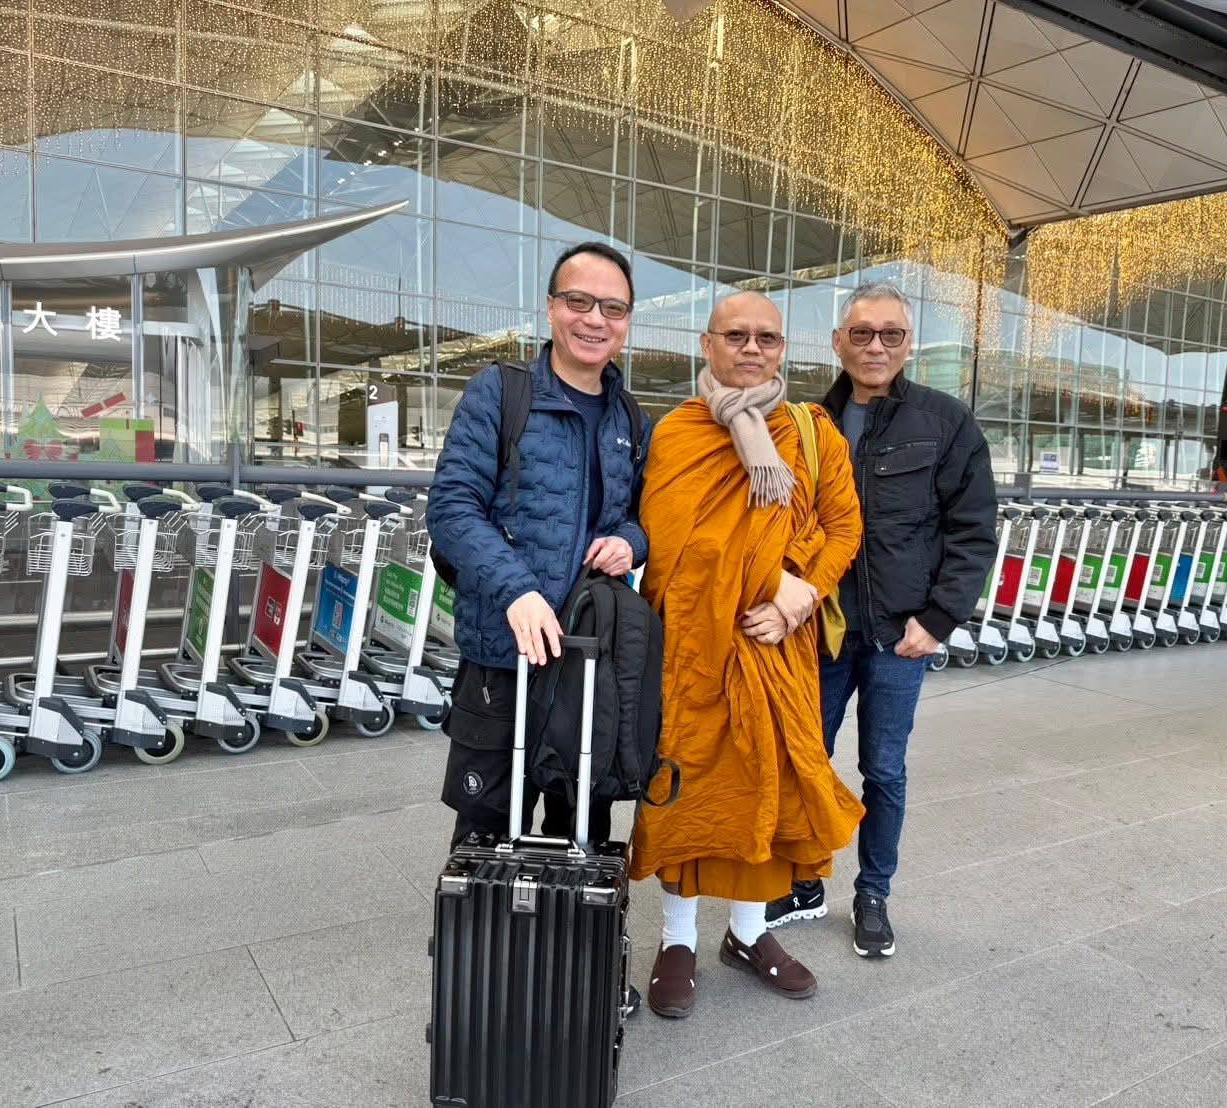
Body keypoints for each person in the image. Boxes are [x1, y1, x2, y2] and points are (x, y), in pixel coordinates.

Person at [633, 290, 864, 1019]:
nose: (752, 348)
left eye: (766, 337)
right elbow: (669, 544)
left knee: (770, 786)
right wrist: (751, 585)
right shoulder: (677, 433)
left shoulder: (812, 432)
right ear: (707, 345)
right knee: (688, 791)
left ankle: (747, 932)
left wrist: (802, 595)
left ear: (782, 349)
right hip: (694, 652)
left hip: (779, 648)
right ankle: (676, 940)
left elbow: (843, 527)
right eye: (736, 335)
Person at [766, 282, 997, 958]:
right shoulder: (808, 423)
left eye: (890, 334)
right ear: (838, 342)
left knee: (883, 769)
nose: (875, 346)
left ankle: (873, 892)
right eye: (862, 333)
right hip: (822, 628)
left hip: (900, 634)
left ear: (907, 344)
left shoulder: (945, 421)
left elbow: (972, 529)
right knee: (805, 759)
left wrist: (939, 617)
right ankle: (803, 882)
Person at [427, 241, 652, 848]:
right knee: (486, 836)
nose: (595, 319)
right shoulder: (501, 392)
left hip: (587, 660)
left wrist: (631, 542)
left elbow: (643, 516)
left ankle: (566, 917)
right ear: (551, 308)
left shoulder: (631, 419)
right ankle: (489, 917)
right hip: (504, 658)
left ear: (627, 321)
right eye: (579, 301)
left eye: (612, 307)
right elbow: (451, 507)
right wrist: (517, 591)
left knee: (581, 833)